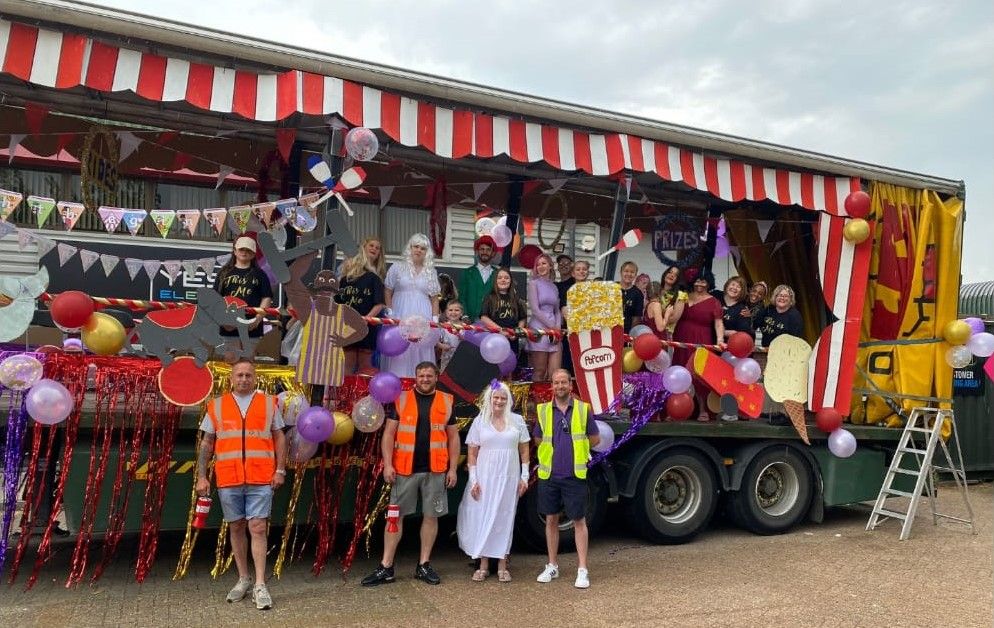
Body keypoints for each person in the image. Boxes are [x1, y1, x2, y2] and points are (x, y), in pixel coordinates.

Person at [196, 360, 286, 610]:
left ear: (255, 378)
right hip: (229, 477)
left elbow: (279, 436)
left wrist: (280, 469)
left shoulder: (270, 403)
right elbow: (207, 443)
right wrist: (202, 476)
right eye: (239, 375)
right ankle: (243, 579)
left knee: (257, 527)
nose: (244, 379)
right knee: (235, 526)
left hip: (261, 477)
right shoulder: (217, 406)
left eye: (248, 375)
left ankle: (260, 584)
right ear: (231, 379)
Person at [362, 362, 459, 587]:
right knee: (395, 518)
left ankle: (424, 565)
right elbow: (389, 434)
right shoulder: (401, 398)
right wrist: (388, 465)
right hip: (404, 469)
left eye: (429, 375)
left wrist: (453, 468)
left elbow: (453, 438)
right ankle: (386, 567)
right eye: (421, 375)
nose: (425, 379)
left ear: (436, 377)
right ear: (415, 377)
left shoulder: (446, 400)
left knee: (431, 516)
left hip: (435, 469)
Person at [533, 369, 600, 589]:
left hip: (574, 475)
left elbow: (595, 438)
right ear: (551, 386)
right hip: (550, 475)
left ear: (570, 386)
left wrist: (577, 451)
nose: (560, 386)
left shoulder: (582, 409)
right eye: (556, 383)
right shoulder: (543, 411)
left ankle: (582, 569)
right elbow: (537, 438)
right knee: (551, 520)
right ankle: (552, 565)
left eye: (564, 382)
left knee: (579, 521)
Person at [457, 381, 530, 583]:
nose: (499, 401)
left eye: (503, 398)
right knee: (484, 516)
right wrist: (474, 481)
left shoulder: (517, 421)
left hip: (508, 477)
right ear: (489, 399)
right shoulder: (480, 422)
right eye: (496, 397)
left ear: (508, 401)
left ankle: (503, 564)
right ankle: (483, 564)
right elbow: (472, 454)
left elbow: (524, 451)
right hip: (485, 477)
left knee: (505, 517)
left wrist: (524, 477)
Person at [383, 234, 441, 378]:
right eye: (416, 246)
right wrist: (390, 313)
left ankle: (420, 384)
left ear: (427, 252)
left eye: (423, 248)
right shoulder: (397, 267)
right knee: (400, 349)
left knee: (420, 348)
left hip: (423, 315)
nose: (419, 250)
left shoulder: (431, 272)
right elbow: (388, 290)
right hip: (400, 313)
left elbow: (434, 299)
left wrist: (434, 321)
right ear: (410, 248)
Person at [672, 274, 725, 421]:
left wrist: (720, 339)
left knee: (699, 373)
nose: (700, 284)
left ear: (709, 284)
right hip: (682, 338)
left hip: (702, 338)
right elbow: (673, 316)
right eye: (697, 281)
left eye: (703, 281)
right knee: (679, 370)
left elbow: (718, 322)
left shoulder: (714, 302)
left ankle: (703, 409)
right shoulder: (684, 297)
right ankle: (676, 408)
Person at [336, 237, 386, 374]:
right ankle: (344, 394)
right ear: (363, 248)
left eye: (378, 248)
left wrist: (366, 320)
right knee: (348, 362)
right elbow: (338, 302)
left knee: (365, 364)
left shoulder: (375, 278)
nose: (374, 249)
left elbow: (379, 304)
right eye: (371, 245)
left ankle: (362, 395)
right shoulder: (345, 279)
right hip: (347, 326)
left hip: (366, 327)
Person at [212, 236, 273, 339]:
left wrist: (257, 319)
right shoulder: (224, 272)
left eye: (248, 250)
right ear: (235, 251)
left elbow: (266, 297)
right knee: (230, 355)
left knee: (248, 355)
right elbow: (215, 298)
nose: (244, 252)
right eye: (241, 249)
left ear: (253, 254)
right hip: (228, 323)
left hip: (251, 324)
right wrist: (222, 319)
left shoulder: (260, 274)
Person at [525, 253, 562, 382]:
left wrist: (557, 327)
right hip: (539, 330)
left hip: (554, 332)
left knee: (555, 374)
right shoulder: (533, 284)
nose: (541, 266)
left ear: (550, 266)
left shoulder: (554, 286)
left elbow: (557, 310)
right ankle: (537, 402)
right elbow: (535, 309)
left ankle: (552, 401)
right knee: (539, 372)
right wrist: (552, 327)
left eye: (544, 263)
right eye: (538, 264)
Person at [480, 268, 528, 358]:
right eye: (500, 278)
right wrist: (501, 331)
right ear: (495, 281)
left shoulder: (516, 299)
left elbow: (522, 318)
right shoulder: (489, 297)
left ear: (510, 281)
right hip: (494, 338)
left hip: (512, 338)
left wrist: (516, 333)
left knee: (510, 365)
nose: (503, 280)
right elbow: (484, 317)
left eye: (506, 278)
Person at [457, 236, 497, 322]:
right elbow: (462, 297)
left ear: (493, 253)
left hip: (492, 321)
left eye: (488, 249)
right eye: (482, 249)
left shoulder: (498, 274)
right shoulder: (467, 273)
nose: (484, 252)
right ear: (477, 252)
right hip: (470, 320)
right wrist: (464, 316)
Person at [659, 265, 688, 339]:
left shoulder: (681, 295)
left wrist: (656, 319)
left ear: (678, 279)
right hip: (650, 329)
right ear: (665, 274)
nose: (672, 275)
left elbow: (674, 318)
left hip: (666, 334)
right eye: (670, 272)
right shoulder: (656, 290)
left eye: (675, 275)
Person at [436, 300, 464, 371]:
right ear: (446, 312)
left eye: (456, 310)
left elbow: (468, 341)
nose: (453, 312)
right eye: (450, 310)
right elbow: (436, 340)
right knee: (445, 376)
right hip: (446, 358)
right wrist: (442, 346)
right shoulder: (443, 326)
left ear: (461, 313)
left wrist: (461, 337)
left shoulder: (465, 327)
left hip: (461, 358)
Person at [617, 261, 644, 333]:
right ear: (621, 272)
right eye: (626, 271)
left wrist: (630, 335)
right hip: (609, 331)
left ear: (635, 275)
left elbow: (637, 317)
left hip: (626, 332)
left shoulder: (638, 293)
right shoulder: (612, 288)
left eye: (632, 272)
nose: (629, 274)